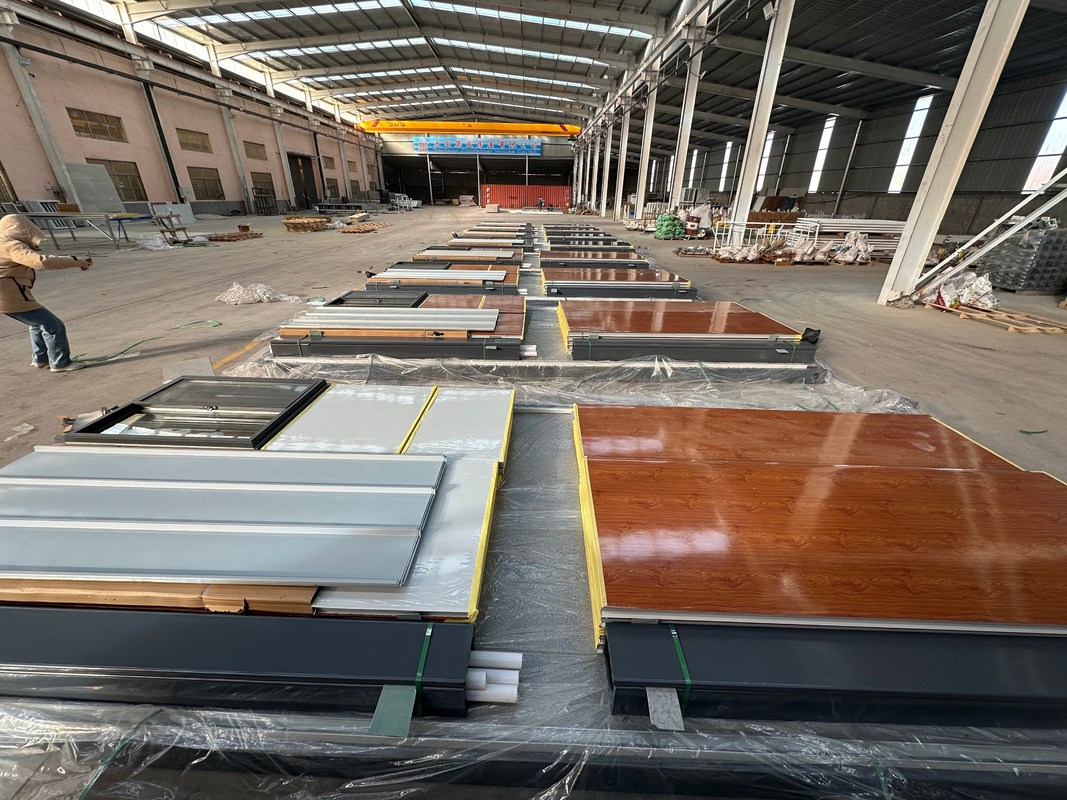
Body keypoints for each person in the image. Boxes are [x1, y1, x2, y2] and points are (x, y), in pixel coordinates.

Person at [0, 214, 92, 372]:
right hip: (9, 296)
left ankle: (41, 359)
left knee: (36, 324)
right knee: (53, 325)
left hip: (11, 293)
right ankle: (60, 363)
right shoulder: (10, 245)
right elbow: (41, 261)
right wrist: (77, 262)